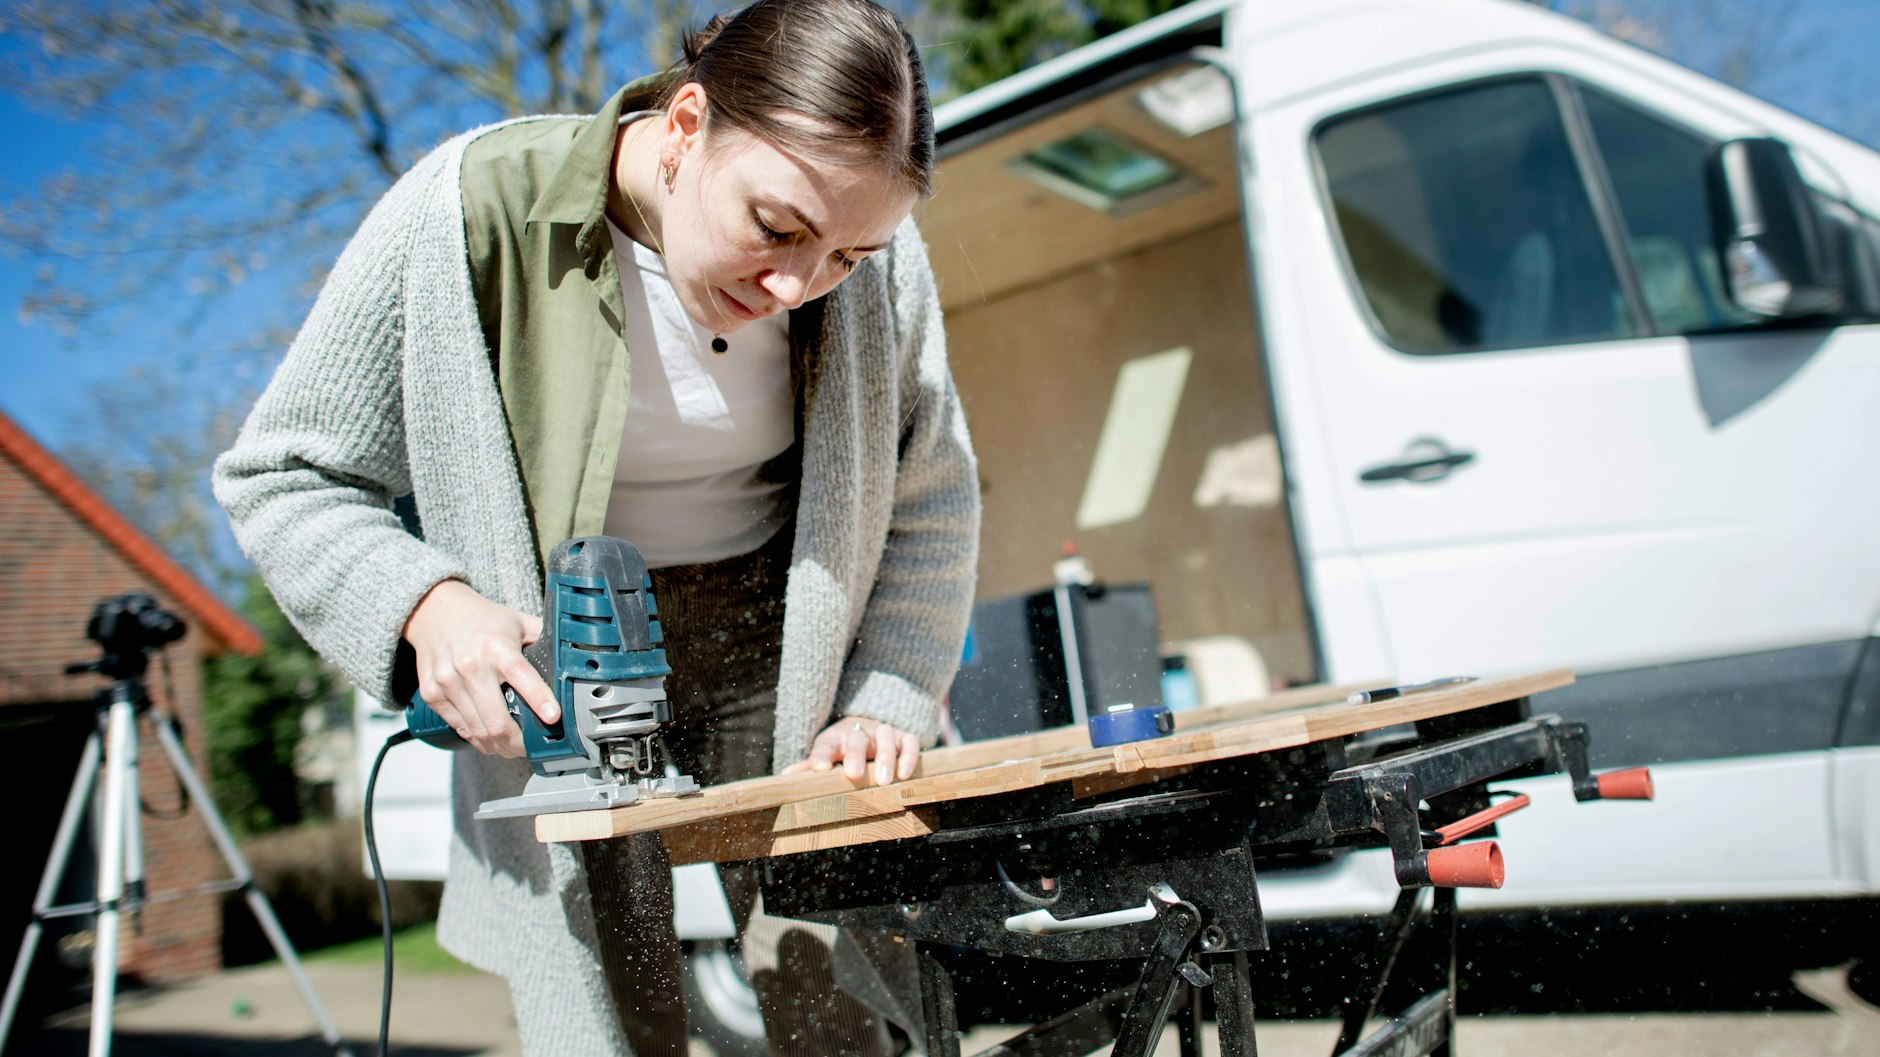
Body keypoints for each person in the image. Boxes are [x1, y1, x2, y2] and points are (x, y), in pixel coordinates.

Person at [212, 0, 979, 1052]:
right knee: (605, 1015)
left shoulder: (873, 254)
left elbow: (930, 491)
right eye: (775, 228)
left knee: (841, 1008)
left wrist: (884, 694)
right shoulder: (466, 212)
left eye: (847, 254)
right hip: (567, 664)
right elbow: (283, 472)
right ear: (684, 125)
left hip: (787, 634)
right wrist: (425, 605)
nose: (800, 285)